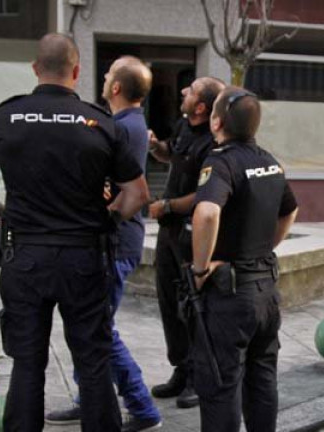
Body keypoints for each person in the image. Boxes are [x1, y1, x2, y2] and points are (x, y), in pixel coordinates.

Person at [0, 34, 149, 432]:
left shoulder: (6, 116)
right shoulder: (100, 121)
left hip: (25, 259)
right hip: (84, 259)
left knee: (27, 361)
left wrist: (1, 215)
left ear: (34, 69)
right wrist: (108, 218)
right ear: (76, 72)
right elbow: (137, 195)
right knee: (92, 361)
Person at [45, 55, 162, 432]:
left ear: (115, 87)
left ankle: (143, 409)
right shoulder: (129, 124)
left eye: (110, 73)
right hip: (118, 240)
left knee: (99, 329)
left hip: (115, 242)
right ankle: (88, 397)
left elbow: (122, 190)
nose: (106, 76)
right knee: (90, 325)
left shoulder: (123, 128)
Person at [188, 87, 299, 431]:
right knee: (262, 380)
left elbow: (206, 214)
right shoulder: (270, 162)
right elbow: (290, 209)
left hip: (231, 295)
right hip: (266, 288)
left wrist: (200, 268)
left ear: (216, 121)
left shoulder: (221, 162)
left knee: (221, 383)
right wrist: (265, 248)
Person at [147, 76, 225, 409]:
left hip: (192, 233)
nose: (182, 91)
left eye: (190, 90)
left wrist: (167, 206)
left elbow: (205, 195)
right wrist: (155, 146)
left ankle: (199, 377)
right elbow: (170, 154)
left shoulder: (214, 142)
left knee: (194, 306)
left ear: (202, 106)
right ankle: (181, 368)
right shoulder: (183, 125)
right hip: (169, 232)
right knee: (168, 301)